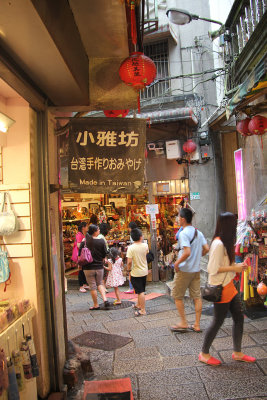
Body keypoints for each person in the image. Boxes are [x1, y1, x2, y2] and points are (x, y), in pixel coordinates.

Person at [199, 212, 256, 366]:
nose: (237, 225)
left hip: (229, 286)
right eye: (235, 223)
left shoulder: (223, 242)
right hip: (221, 288)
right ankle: (204, 353)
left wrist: (236, 267)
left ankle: (237, 352)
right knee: (218, 321)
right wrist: (235, 268)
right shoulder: (218, 244)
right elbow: (213, 268)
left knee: (238, 317)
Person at [171, 208, 209, 332]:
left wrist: (177, 262)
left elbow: (187, 252)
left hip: (184, 270)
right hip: (196, 270)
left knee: (177, 296)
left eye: (178, 217)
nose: (177, 219)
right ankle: (197, 324)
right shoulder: (198, 233)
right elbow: (206, 249)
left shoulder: (183, 233)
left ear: (182, 219)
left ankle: (183, 322)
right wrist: (198, 256)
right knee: (197, 297)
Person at [79, 224, 109, 310]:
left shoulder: (84, 241)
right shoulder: (101, 241)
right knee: (100, 283)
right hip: (99, 266)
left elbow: (79, 255)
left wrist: (80, 265)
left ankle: (96, 304)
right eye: (98, 229)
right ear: (95, 231)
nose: (99, 231)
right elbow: (104, 254)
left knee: (92, 286)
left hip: (88, 267)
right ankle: (105, 299)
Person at [126, 228, 148, 316]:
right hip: (144, 271)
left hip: (135, 272)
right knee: (140, 289)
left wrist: (128, 270)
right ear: (140, 237)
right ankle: (139, 305)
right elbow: (145, 255)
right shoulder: (145, 246)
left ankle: (143, 310)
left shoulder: (130, 248)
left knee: (140, 291)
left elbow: (129, 262)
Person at [71, 222, 89, 293]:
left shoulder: (83, 234)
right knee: (81, 269)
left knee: (84, 269)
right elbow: (78, 245)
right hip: (80, 254)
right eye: (86, 226)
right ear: (83, 228)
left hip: (82, 254)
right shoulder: (79, 234)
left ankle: (84, 284)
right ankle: (81, 286)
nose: (87, 228)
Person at [124, 221, 137, 294]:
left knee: (131, 272)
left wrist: (129, 247)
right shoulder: (139, 233)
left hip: (133, 254)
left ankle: (131, 287)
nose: (128, 229)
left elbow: (133, 244)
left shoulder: (132, 234)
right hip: (138, 254)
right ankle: (136, 287)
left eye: (129, 227)